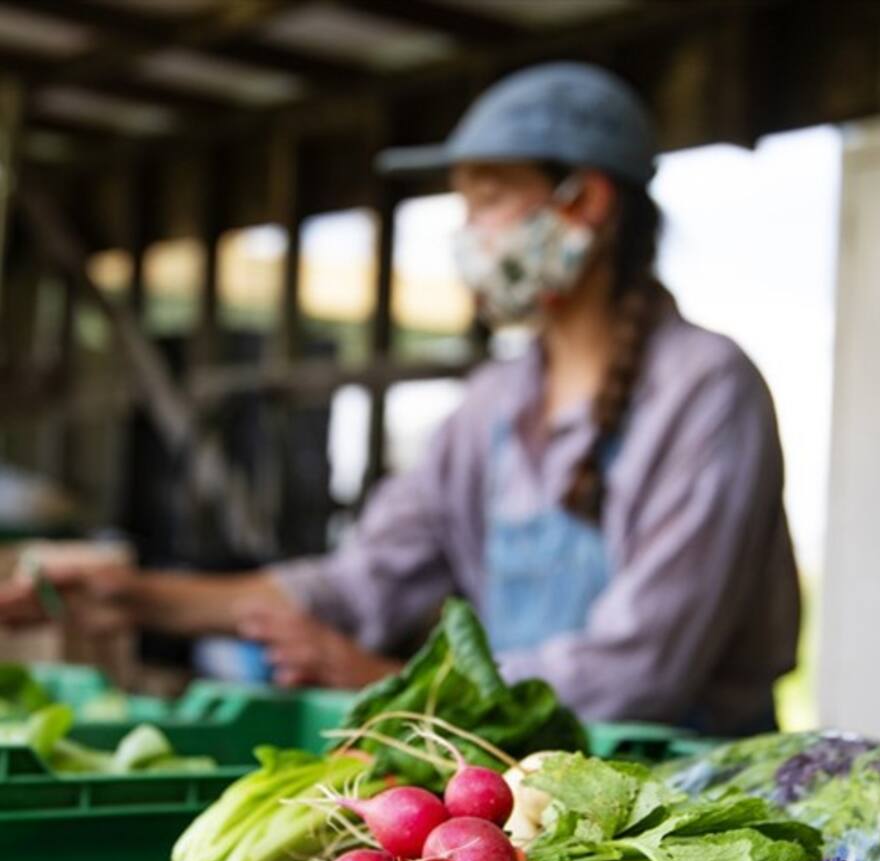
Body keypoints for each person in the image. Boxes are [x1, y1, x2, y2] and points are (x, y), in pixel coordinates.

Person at [0, 63, 800, 736]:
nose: (468, 232)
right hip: (528, 785)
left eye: (487, 199)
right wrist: (132, 595)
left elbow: (640, 668)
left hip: (689, 798)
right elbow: (360, 582)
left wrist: (382, 679)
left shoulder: (704, 389)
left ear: (584, 202)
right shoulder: (494, 405)